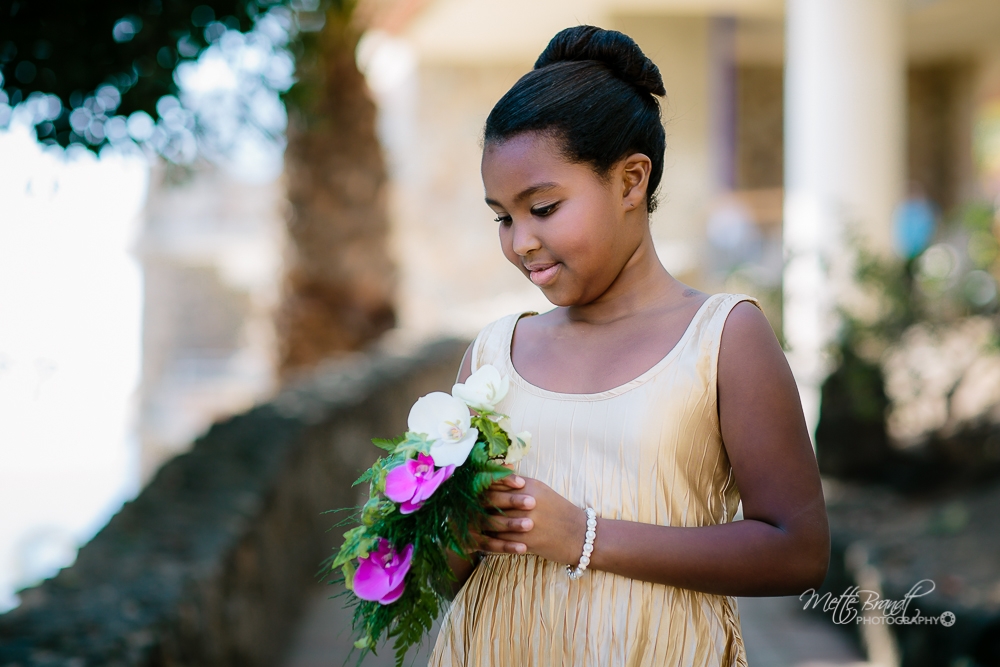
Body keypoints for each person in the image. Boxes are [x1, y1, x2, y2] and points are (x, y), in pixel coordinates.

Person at [429, 25, 830, 667]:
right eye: (503, 217)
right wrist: (458, 532)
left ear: (631, 180)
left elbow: (798, 551)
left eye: (544, 206)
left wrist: (585, 537)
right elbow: (448, 579)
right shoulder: (492, 355)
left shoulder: (723, 338)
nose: (520, 241)